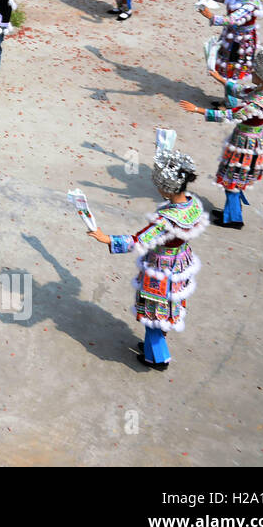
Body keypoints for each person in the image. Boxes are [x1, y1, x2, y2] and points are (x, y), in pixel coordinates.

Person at [85, 145, 204, 369]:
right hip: (180, 262)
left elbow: (138, 241)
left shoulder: (166, 218)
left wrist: (106, 238)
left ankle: (158, 358)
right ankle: (154, 345)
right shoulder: (193, 205)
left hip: (161, 267)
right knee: (168, 307)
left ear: (167, 187)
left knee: (154, 313)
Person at [179, 47, 263, 230]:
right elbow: (241, 91)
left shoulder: (257, 102)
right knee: (235, 179)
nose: (251, 72)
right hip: (250, 140)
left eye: (255, 71)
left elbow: (231, 114)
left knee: (233, 180)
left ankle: (233, 219)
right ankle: (230, 213)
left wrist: (198, 110)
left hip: (245, 144)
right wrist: (218, 78)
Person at [190, 0, 263, 91]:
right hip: (231, 37)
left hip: (241, 42)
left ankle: (231, 104)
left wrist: (212, 17)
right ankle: (228, 101)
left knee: (232, 72)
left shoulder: (251, 4)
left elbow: (233, 19)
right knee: (227, 68)